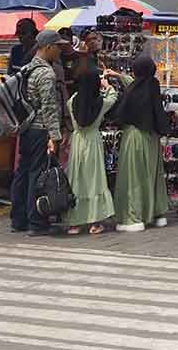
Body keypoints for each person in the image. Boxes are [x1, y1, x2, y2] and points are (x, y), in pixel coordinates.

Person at [10, 30, 65, 236]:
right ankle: (37, 222)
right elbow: (49, 107)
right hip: (41, 129)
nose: (60, 50)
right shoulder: (46, 74)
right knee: (37, 175)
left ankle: (18, 219)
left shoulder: (26, 68)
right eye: (58, 46)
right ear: (48, 47)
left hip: (26, 129)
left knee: (23, 172)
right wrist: (55, 136)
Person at [109, 52, 171, 232]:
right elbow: (134, 83)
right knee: (152, 176)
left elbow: (121, 108)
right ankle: (156, 213)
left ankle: (134, 218)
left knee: (133, 178)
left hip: (134, 138)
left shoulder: (133, 91)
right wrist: (118, 75)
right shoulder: (152, 86)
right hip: (152, 138)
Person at [63, 50, 117, 236]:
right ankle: (95, 222)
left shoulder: (72, 102)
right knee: (94, 181)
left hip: (77, 141)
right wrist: (106, 85)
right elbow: (113, 97)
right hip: (93, 141)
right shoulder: (100, 103)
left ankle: (74, 223)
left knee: (76, 181)